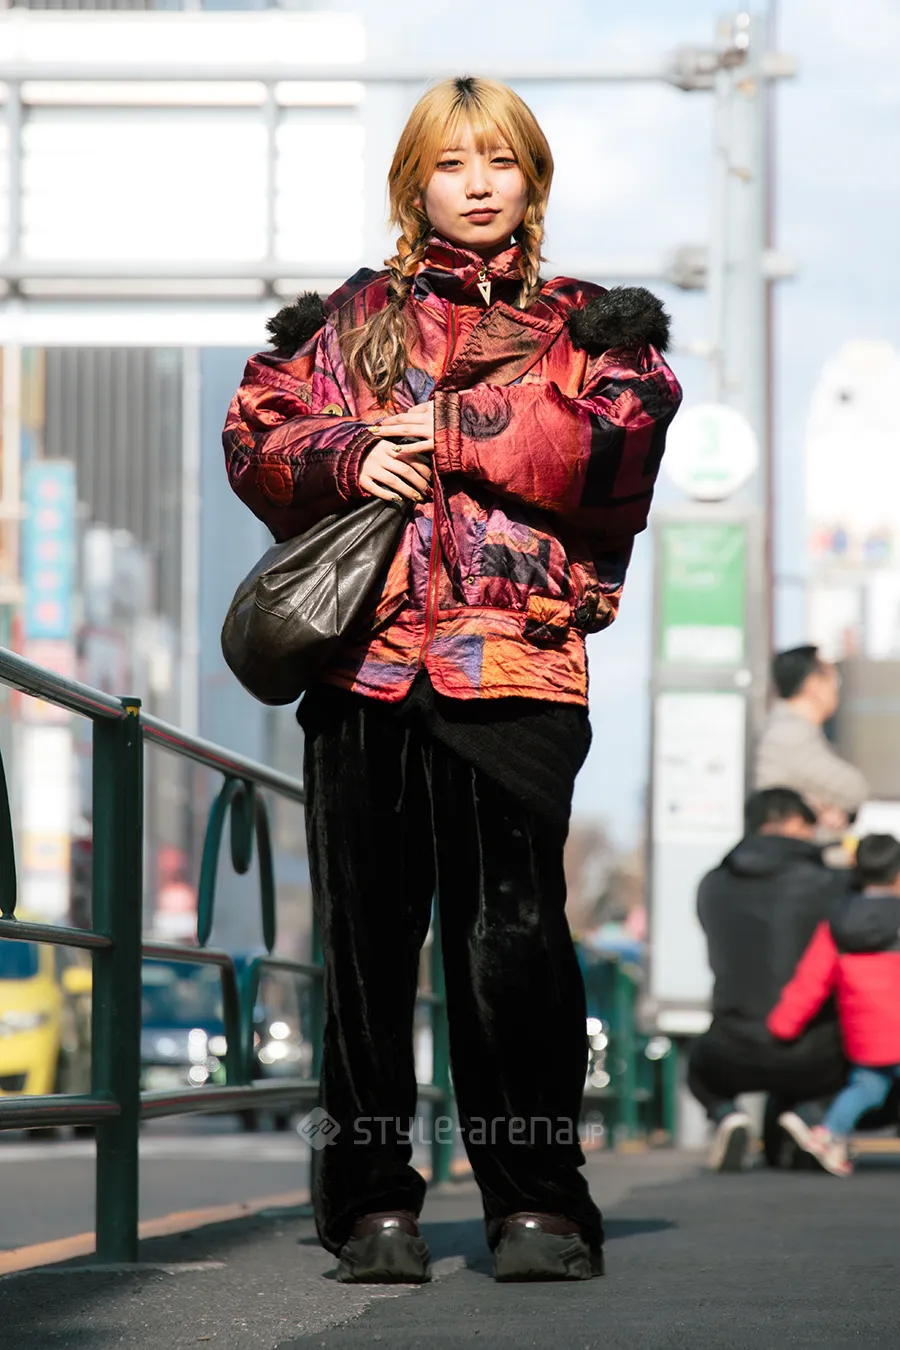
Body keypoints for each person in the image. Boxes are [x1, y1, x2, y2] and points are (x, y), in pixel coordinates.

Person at [223, 76, 681, 1283]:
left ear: (533, 178)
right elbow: (256, 435)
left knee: (513, 948)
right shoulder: (346, 322)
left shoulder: (593, 326)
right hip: (363, 665)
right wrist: (346, 451)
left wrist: (448, 434)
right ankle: (372, 1204)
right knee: (366, 953)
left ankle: (537, 1203)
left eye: (501, 161)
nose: (478, 185)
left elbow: (613, 447)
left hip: (517, 664)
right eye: (451, 163)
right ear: (413, 182)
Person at [688, 788, 848, 1171]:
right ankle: (807, 1115)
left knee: (698, 1071)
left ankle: (728, 1115)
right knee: (861, 1056)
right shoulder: (832, 884)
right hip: (814, 1053)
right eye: (808, 825)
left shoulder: (712, 883)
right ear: (791, 822)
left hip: (729, 1048)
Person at [768, 834, 900, 1177]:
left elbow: (810, 981)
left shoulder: (839, 922)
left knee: (867, 1089)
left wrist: (783, 1025)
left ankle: (827, 1134)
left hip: (868, 1038)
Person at [755, 645, 868, 835]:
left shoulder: (792, 729)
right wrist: (822, 808)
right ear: (814, 684)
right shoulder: (790, 734)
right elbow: (853, 788)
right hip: (788, 848)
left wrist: (819, 805)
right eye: (834, 680)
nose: (836, 690)